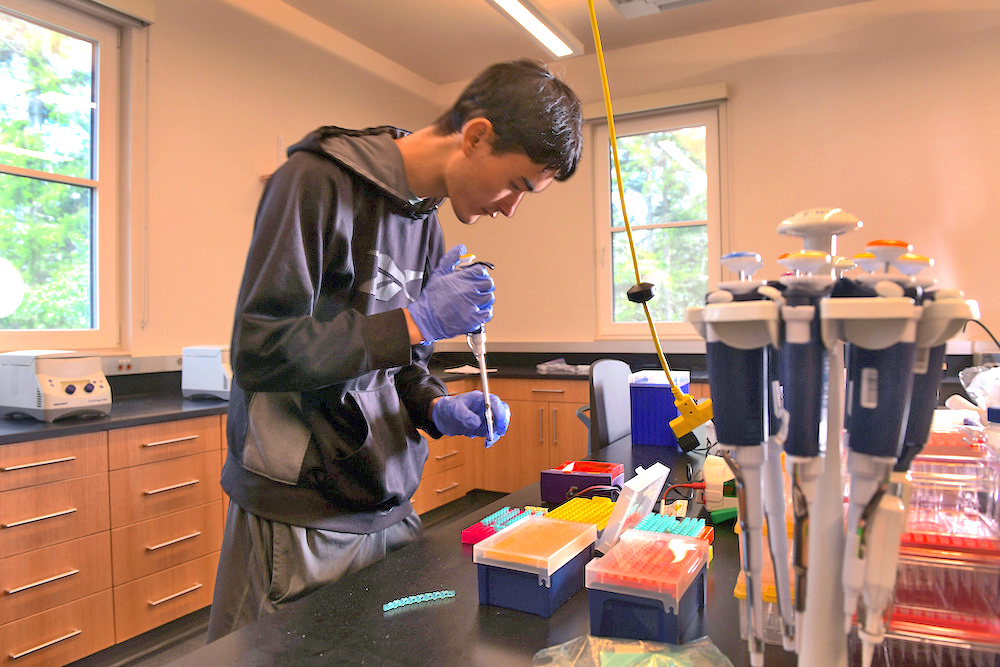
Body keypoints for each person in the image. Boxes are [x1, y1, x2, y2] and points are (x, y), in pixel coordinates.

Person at [206, 59, 584, 640]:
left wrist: (433, 407)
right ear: (477, 136)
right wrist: (417, 318)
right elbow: (261, 350)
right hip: (302, 509)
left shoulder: (424, 219)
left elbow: (400, 361)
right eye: (517, 184)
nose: (511, 208)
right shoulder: (316, 180)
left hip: (387, 500)